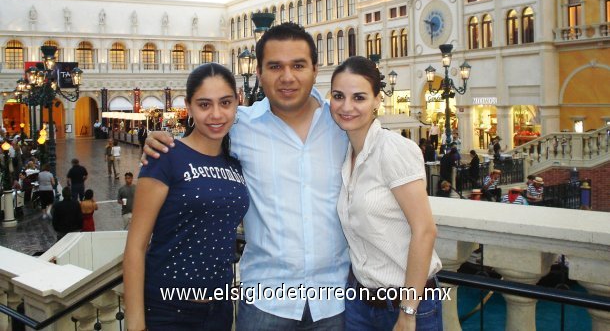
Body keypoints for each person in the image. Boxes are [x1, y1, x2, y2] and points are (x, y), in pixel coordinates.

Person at [144, 23, 350, 329]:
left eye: (298, 65)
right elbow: (200, 138)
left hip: (333, 301)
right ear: (258, 72)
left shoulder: (343, 125)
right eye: (275, 66)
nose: (287, 77)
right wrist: (157, 142)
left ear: (315, 69)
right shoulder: (240, 125)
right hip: (265, 302)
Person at [124, 63, 249, 331]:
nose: (216, 114)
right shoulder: (165, 157)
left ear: (237, 103)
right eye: (205, 105)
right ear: (189, 107)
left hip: (220, 308)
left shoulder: (235, 163)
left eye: (225, 103)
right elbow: (136, 246)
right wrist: (135, 325)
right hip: (168, 310)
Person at [330, 56, 442, 330]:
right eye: (338, 96)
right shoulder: (345, 154)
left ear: (377, 100)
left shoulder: (394, 150)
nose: (347, 106)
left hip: (406, 305)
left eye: (359, 97)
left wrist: (407, 311)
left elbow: (425, 230)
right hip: (358, 301)